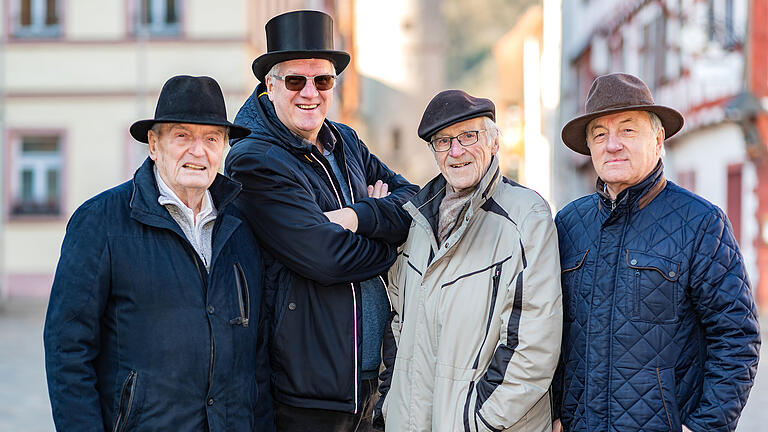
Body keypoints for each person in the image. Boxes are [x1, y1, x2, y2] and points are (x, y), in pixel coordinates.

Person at [224, 10, 418, 432]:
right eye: (296, 80)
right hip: (308, 387)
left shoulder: (343, 139)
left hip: (372, 375)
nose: (310, 93)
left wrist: (356, 215)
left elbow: (416, 202)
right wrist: (390, 237)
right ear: (270, 85)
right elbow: (325, 256)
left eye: (323, 81)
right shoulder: (254, 159)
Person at [43, 75, 273, 431]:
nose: (198, 151)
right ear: (154, 144)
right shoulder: (100, 222)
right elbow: (67, 353)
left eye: (211, 139)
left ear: (224, 148)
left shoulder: (242, 227)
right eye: (183, 136)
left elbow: (255, 360)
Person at [553, 73, 761, 432]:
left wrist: (703, 427)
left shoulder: (700, 222)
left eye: (628, 130)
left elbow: (736, 338)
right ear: (589, 149)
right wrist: (555, 414)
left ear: (658, 139)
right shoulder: (568, 224)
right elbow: (550, 334)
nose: (612, 144)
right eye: (599, 135)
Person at [375, 89, 563, 431]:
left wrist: (475, 421)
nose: (456, 151)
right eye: (443, 141)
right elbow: (397, 323)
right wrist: (390, 404)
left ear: (493, 142)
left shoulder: (526, 217)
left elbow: (532, 346)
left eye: (468, 136)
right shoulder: (417, 221)